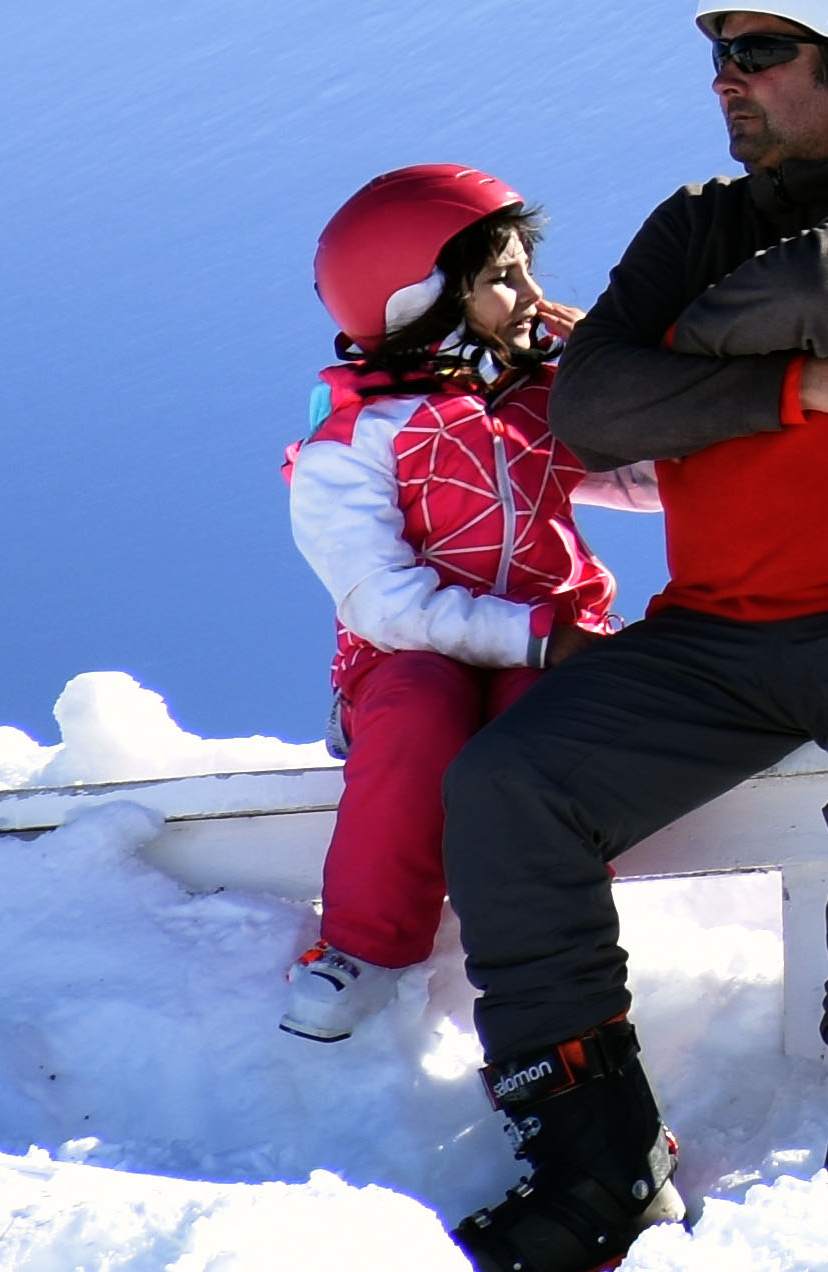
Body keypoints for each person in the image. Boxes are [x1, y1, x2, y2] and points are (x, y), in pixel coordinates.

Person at [442, 0, 828, 1272]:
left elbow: (827, 281)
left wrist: (681, 341)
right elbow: (593, 410)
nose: (729, 79)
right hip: (721, 633)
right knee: (507, 783)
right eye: (718, 55)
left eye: (763, 52)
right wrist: (800, 384)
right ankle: (595, 1159)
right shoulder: (694, 221)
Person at [277, 167, 654, 1044]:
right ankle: (365, 946)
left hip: (550, 651)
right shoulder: (355, 437)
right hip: (412, 660)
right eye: (501, 278)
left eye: (526, 271)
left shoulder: (534, 403)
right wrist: (538, 636)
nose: (532, 295)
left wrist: (619, 374)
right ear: (420, 302)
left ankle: (543, 942)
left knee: (541, 726)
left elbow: (655, 478)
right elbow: (380, 600)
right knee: (422, 706)